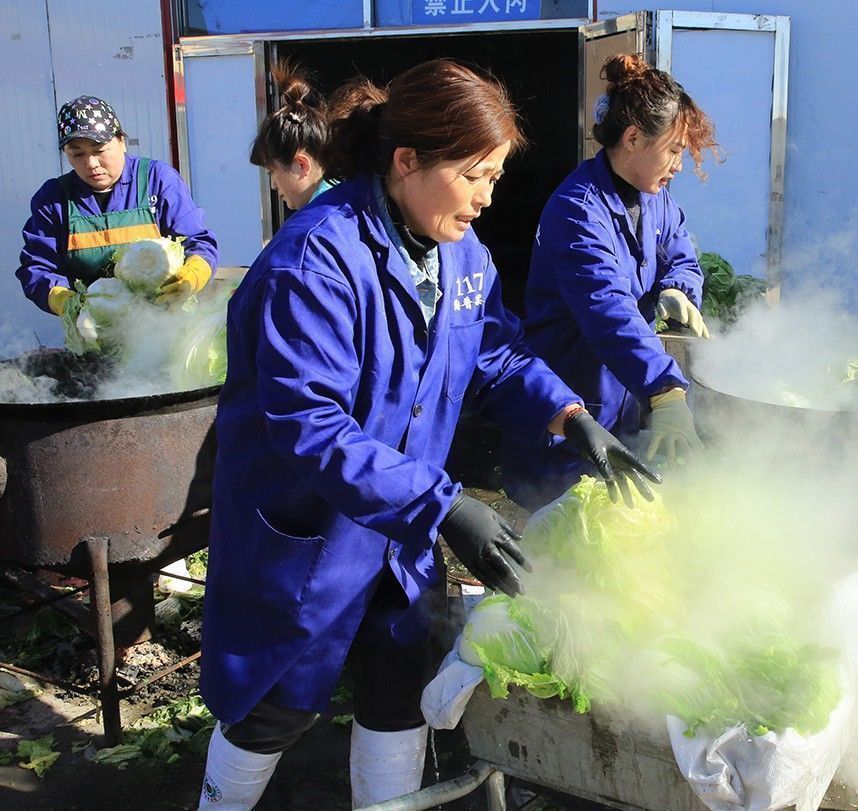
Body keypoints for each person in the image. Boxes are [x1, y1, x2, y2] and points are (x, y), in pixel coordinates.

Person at [196, 60, 657, 809]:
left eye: (497, 177)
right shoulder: (314, 261)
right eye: (475, 174)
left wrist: (571, 417)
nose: (487, 197)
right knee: (273, 708)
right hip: (311, 538)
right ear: (406, 161)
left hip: (398, 538)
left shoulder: (460, 252)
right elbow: (311, 427)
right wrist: (445, 507)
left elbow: (493, 350)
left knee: (398, 692)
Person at [501, 53, 718, 511]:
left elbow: (681, 255)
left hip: (619, 402)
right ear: (634, 137)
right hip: (568, 408)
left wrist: (677, 289)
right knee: (562, 537)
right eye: (675, 149)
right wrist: (666, 390)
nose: (679, 165)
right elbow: (608, 311)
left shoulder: (656, 199)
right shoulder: (578, 210)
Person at [16, 95, 217, 313]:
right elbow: (37, 267)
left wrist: (193, 275)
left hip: (167, 325)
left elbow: (198, 241)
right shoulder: (53, 199)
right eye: (77, 154)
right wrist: (63, 301)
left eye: (99, 150)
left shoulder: (157, 180)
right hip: (95, 329)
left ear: (122, 142)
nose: (91, 163)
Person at [249, 60, 334, 210]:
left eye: (272, 172)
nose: (273, 185)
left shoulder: (316, 226)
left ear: (302, 164)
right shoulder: (346, 202)